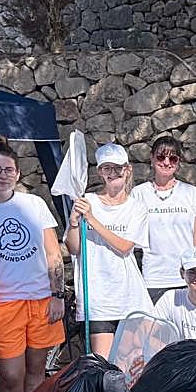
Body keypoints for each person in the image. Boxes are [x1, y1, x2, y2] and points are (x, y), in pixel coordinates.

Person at [0, 137, 65, 392]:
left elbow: (53, 253)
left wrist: (57, 295)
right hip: (2, 303)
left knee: (36, 372)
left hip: (41, 301)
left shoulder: (34, 204)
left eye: (9, 169)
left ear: (18, 173)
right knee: (10, 376)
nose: (2, 175)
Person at [64, 143, 152, 359]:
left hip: (129, 296)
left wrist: (93, 219)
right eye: (107, 168)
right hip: (97, 297)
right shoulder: (87, 201)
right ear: (100, 172)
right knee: (103, 364)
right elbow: (74, 248)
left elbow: (124, 247)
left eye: (118, 168)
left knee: (131, 363)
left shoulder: (136, 207)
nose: (113, 173)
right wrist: (75, 222)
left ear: (128, 169)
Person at [132, 135, 196, 304]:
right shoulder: (138, 193)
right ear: (151, 159)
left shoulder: (192, 194)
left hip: (188, 276)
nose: (166, 162)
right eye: (161, 157)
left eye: (172, 158)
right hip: (153, 278)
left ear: (178, 162)